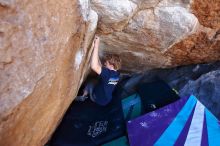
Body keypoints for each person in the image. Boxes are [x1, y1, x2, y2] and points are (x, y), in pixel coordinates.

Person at [75, 36, 121, 106]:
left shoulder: (108, 74)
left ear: (111, 66)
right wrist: (95, 51)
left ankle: (83, 95)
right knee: (96, 80)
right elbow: (100, 66)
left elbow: (94, 66)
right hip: (107, 100)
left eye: (106, 63)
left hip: (96, 99)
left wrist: (96, 46)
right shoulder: (116, 74)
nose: (105, 64)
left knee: (90, 82)